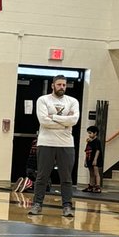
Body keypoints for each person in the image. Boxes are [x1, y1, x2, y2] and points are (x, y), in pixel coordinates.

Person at [28, 74, 80, 218]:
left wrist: (54, 117)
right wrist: (64, 122)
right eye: (59, 85)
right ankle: (37, 204)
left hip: (66, 144)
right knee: (42, 176)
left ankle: (67, 206)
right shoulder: (43, 100)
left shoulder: (73, 101)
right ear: (53, 85)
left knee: (66, 178)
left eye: (64, 85)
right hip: (46, 143)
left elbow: (74, 120)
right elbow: (44, 121)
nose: (62, 87)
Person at [82, 126, 103, 193]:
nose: (89, 134)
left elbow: (98, 150)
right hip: (89, 159)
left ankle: (98, 186)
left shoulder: (97, 141)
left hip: (95, 159)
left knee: (96, 173)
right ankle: (91, 186)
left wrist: (95, 159)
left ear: (95, 133)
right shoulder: (89, 141)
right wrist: (85, 160)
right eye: (88, 133)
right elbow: (87, 151)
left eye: (90, 133)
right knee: (91, 173)